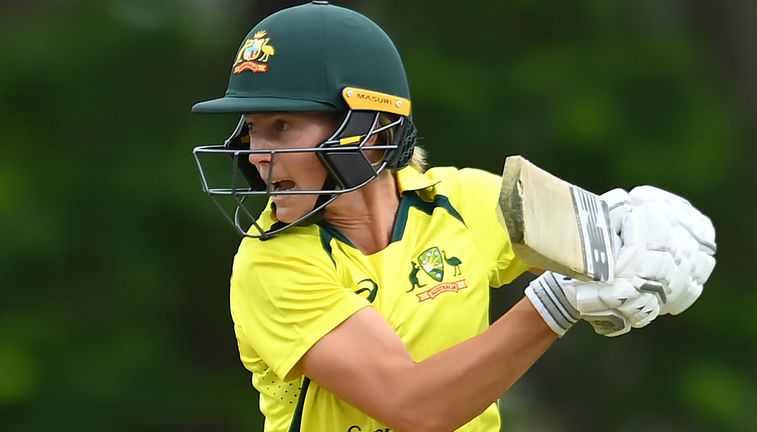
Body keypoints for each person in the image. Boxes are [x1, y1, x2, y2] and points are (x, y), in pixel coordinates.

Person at [191, 2, 717, 431]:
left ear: (370, 132)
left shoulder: (467, 199)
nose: (257, 155)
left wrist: (648, 236)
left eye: (281, 126)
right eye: (252, 128)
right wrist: (555, 305)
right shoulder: (270, 265)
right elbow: (414, 405)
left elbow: (607, 249)